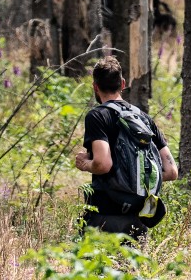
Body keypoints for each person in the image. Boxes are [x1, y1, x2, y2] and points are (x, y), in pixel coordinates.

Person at [75, 56, 179, 238]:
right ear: (123, 84)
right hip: (139, 217)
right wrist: (136, 177)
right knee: (132, 266)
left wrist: (85, 164)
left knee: (95, 266)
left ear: (95, 86)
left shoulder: (98, 116)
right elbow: (171, 171)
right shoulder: (144, 119)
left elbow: (102, 164)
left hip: (104, 216)